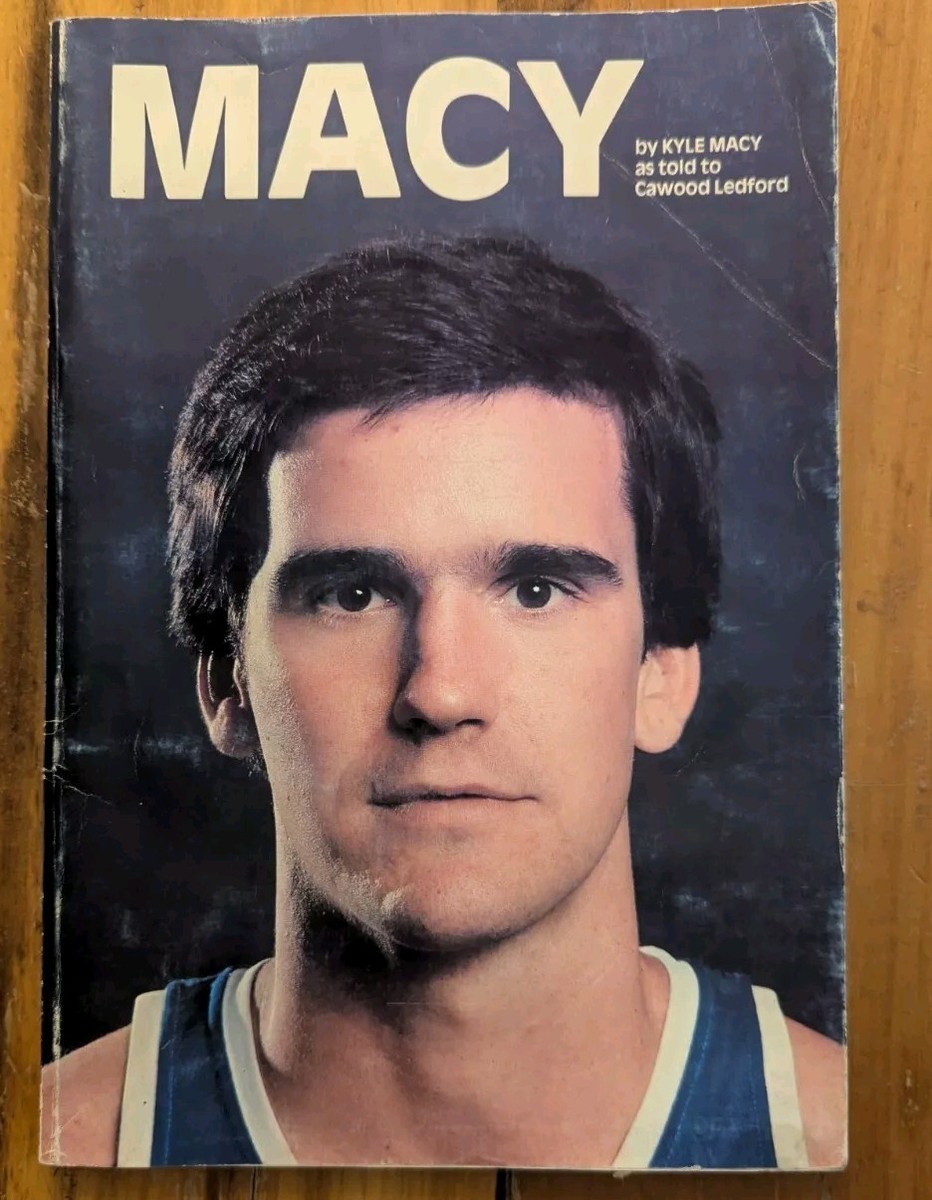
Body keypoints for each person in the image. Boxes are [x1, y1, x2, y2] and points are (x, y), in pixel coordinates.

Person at [41, 235, 845, 1169]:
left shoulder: (858, 1147)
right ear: (226, 680)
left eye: (536, 591)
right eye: (351, 596)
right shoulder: (58, 1148)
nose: (440, 691)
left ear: (661, 669)